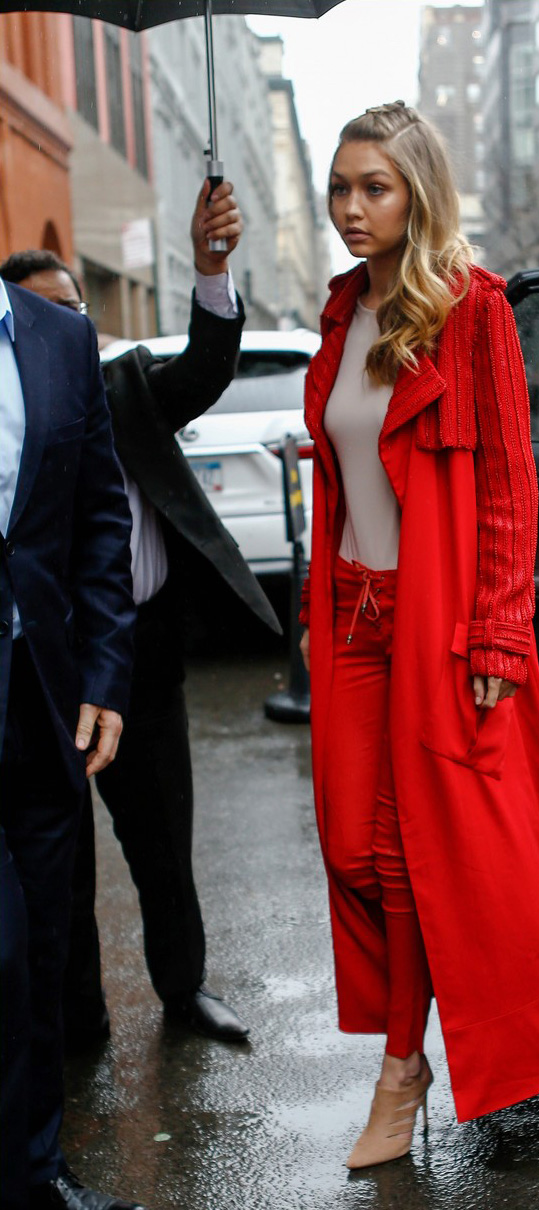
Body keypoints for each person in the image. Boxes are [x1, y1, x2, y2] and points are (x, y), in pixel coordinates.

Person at [299, 101, 539, 1169]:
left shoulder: (471, 312)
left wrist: (497, 635)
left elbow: (506, 493)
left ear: (417, 193)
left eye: (374, 188)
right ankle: (407, 1051)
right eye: (340, 187)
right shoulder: (340, 311)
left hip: (438, 618)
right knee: (350, 842)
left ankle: (401, 1073)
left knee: (411, 854)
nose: (352, 208)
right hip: (351, 614)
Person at [1, 180, 281, 1049]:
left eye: (77, 310)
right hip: (45, 664)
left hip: (142, 654)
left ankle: (184, 991)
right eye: (48, 313)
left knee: (162, 840)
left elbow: (202, 368)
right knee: (62, 863)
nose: (66, 330)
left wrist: (209, 269)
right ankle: (77, 1025)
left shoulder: (119, 381)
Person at [0, 273, 141, 1206]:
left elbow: (98, 521)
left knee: (47, 937)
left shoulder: (57, 337)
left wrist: (104, 678)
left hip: (42, 696)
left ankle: (35, 1173)